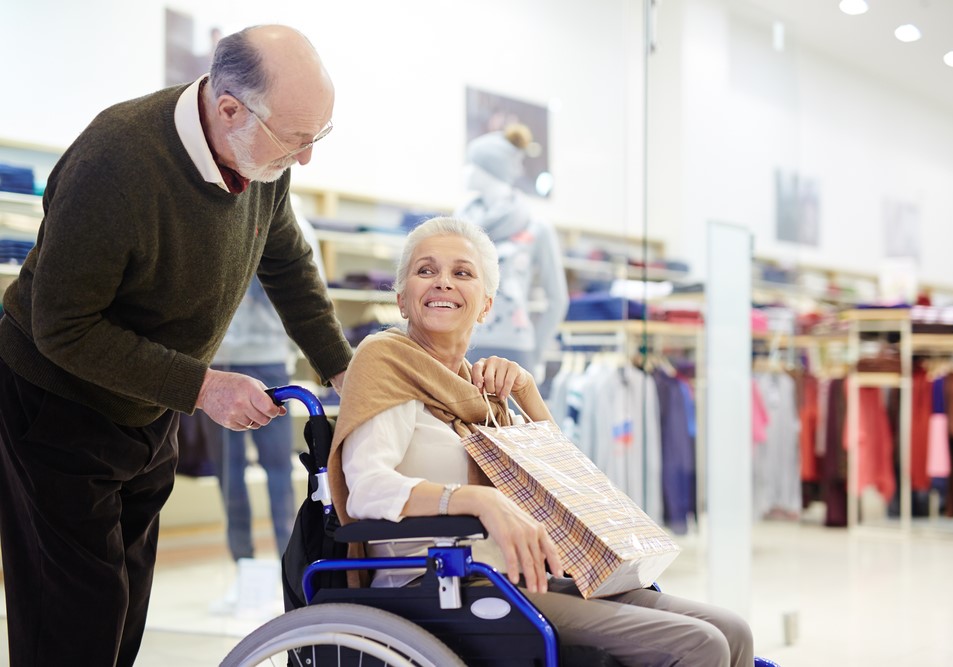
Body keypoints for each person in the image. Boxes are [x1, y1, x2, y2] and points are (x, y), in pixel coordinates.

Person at [0, 25, 352, 667]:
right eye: (297, 140)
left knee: (126, 606)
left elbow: (290, 267)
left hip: (147, 405)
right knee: (74, 615)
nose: (304, 160)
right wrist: (203, 386)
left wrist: (344, 371)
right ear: (228, 108)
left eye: (316, 139)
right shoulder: (117, 161)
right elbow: (63, 327)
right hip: (55, 401)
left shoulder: (259, 157)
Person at [327, 217, 753, 666]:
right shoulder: (384, 362)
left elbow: (565, 490)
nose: (443, 283)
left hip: (510, 574)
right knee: (699, 645)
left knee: (733, 631)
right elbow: (366, 487)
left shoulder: (480, 390)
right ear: (402, 300)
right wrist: (476, 501)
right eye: (426, 270)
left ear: (487, 306)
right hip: (434, 585)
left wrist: (527, 393)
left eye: (462, 273)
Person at [210, 208, 326, 566]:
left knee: (277, 470)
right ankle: (244, 566)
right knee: (230, 474)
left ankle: (287, 561)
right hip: (221, 364)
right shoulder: (223, 215)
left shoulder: (293, 226)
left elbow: (308, 291)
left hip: (267, 360)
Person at [456, 123, 569, 376]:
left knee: (515, 417)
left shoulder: (537, 227)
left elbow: (558, 298)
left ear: (492, 169)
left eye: (473, 164)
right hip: (462, 344)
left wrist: (537, 353)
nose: (466, 171)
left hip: (516, 348)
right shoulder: (460, 222)